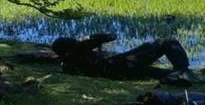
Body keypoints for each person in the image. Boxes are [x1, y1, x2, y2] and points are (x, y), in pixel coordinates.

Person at [51, 33, 196, 84]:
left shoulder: (68, 64)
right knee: (167, 41)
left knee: (162, 74)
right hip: (122, 64)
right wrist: (86, 40)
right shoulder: (78, 53)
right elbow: (110, 36)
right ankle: (184, 71)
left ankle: (178, 75)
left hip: (121, 71)